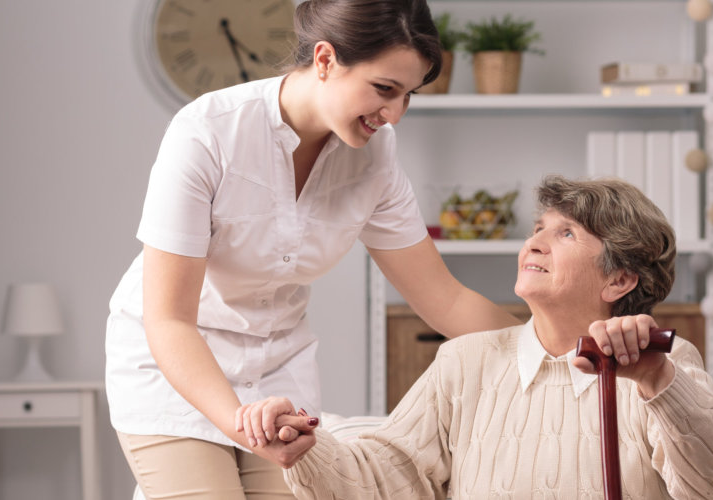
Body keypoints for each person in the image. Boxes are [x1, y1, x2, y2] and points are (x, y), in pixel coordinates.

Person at [104, 0, 522, 498]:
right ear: (324, 60)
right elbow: (170, 321)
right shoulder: (208, 132)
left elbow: (444, 300)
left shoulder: (375, 158)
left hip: (278, 372)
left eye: (409, 95)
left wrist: (563, 344)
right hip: (176, 368)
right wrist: (242, 425)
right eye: (384, 89)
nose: (393, 115)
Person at [273, 176, 713, 499]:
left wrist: (657, 380)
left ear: (618, 280)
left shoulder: (663, 363)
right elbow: (387, 474)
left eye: (567, 234)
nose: (533, 242)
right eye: (538, 228)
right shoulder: (465, 363)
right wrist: (308, 450)